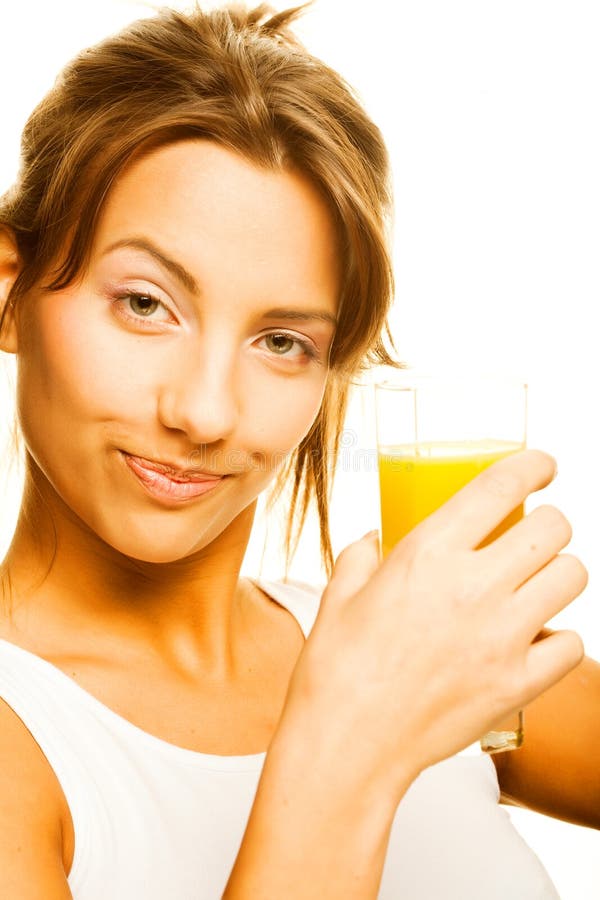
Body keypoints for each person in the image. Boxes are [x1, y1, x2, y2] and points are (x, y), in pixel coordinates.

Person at [0, 3, 596, 898]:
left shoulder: (403, 647)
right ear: (11, 294)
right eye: (145, 303)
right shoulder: (24, 736)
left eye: (282, 342)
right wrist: (350, 745)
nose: (204, 412)